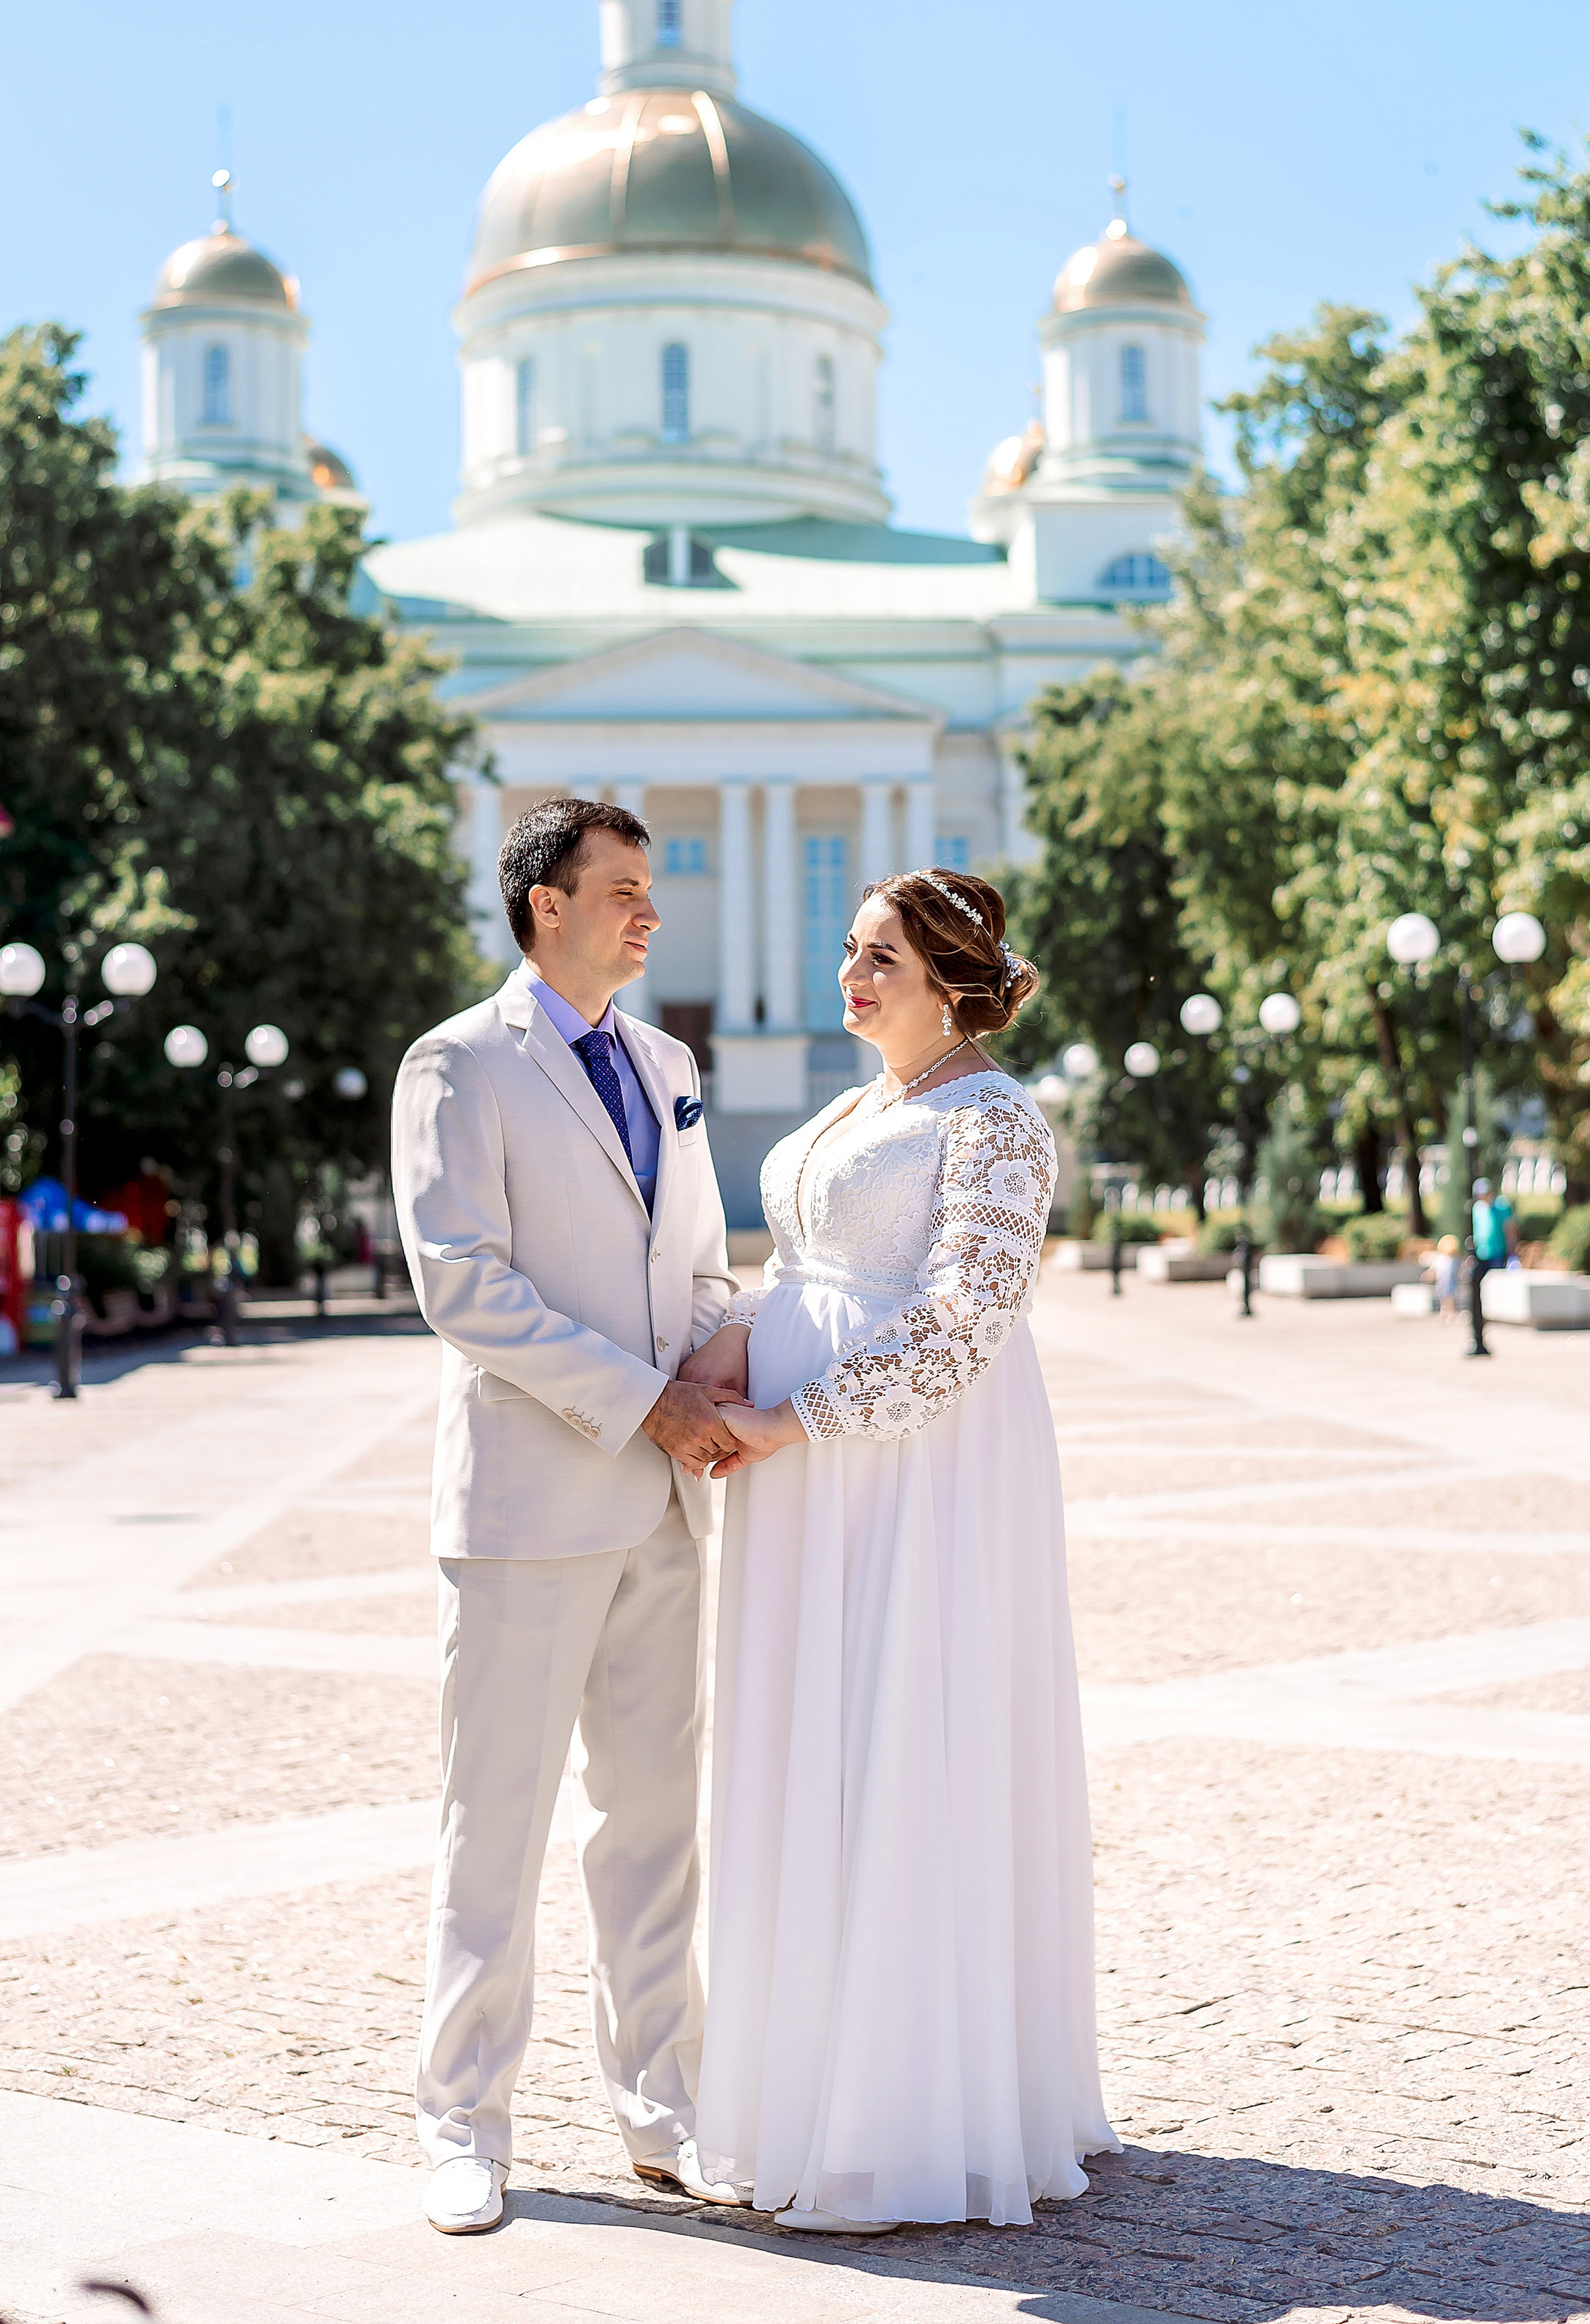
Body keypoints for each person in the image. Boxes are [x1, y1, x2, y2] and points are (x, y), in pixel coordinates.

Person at [677, 868, 1118, 2234]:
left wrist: (786, 1417)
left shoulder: (996, 1119)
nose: (853, 976)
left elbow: (959, 1330)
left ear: (950, 981)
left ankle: (907, 2107)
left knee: (898, 1738)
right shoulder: (863, 1104)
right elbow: (805, 1277)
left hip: (910, 1480)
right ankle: (797, 2082)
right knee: (811, 1748)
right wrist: (711, 1368)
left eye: (883, 959)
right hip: (800, 1476)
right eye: (855, 951)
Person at [392, 798, 747, 2235]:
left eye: (647, 889)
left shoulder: (663, 1062)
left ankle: (664, 2112)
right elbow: (462, 1284)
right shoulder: (459, 1064)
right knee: (494, 1833)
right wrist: (644, 1401)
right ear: (546, 903)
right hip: (528, 1516)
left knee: (655, 1828)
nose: (646, 912)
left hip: (663, 1510)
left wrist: (717, 1370)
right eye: (620, 890)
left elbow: (707, 1265)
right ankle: (460, 2126)